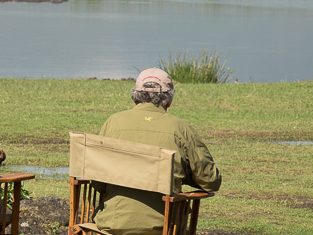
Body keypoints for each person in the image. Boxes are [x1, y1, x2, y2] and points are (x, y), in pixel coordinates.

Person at [93, 67, 222, 235]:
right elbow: (210, 180)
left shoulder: (113, 122)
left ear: (135, 96)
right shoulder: (179, 128)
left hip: (112, 222)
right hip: (165, 225)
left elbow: (97, 180)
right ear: (168, 99)